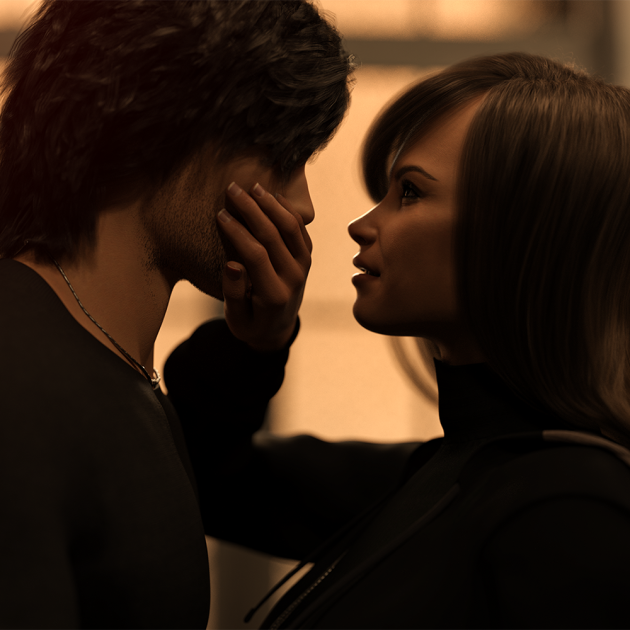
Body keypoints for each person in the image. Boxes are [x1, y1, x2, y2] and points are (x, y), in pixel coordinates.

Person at [165, 52, 630, 629]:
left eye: (409, 192)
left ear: (527, 231)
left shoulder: (573, 508)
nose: (360, 225)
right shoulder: (445, 474)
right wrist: (256, 344)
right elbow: (204, 479)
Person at [0, 0, 353, 627]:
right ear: (156, 133)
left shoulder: (114, 364)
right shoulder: (18, 378)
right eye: (281, 155)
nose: (303, 205)